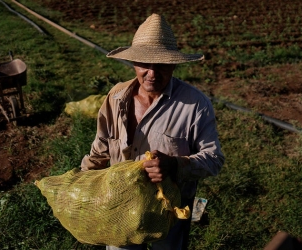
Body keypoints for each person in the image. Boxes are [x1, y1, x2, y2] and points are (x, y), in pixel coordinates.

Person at [80, 13, 224, 250]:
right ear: (133, 62)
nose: (152, 73)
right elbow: (101, 147)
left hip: (168, 211)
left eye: (162, 64)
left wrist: (175, 165)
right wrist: (82, 182)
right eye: (144, 63)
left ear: (175, 64)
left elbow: (214, 159)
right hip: (121, 206)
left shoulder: (195, 105)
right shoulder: (117, 97)